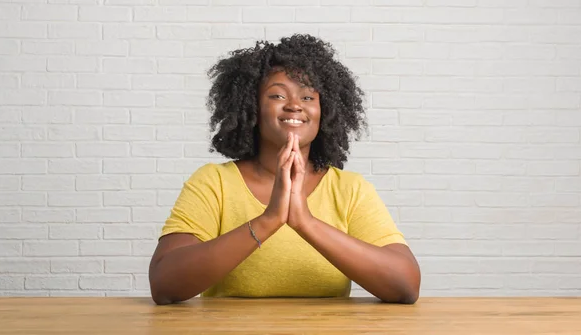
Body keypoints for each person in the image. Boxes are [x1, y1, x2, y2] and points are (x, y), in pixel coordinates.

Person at [149, 34, 421, 305]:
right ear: (251, 107)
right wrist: (269, 219)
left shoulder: (349, 189)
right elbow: (164, 284)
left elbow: (405, 285)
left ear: (323, 111)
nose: (294, 105)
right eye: (277, 95)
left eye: (307, 96)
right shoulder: (214, 182)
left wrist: (305, 222)